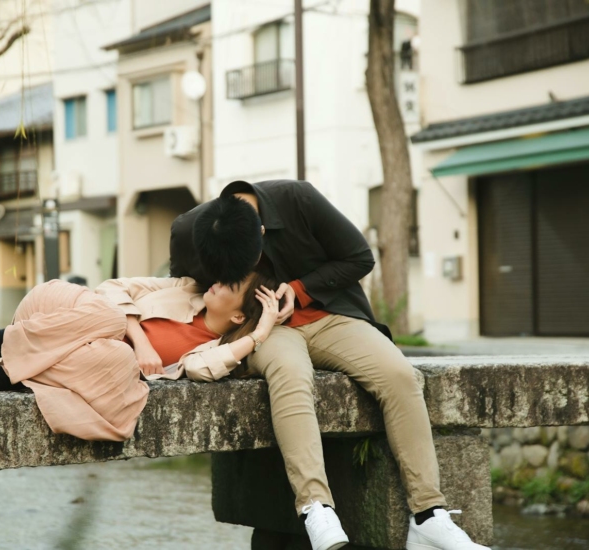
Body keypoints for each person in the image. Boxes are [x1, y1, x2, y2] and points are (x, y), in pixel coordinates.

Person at [169, 180, 490, 550]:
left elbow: (360, 258)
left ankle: (427, 516)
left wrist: (298, 289)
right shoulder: (188, 231)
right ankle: (315, 507)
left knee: (400, 375)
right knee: (290, 375)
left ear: (261, 231)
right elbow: (179, 292)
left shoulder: (299, 200)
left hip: (328, 315)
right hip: (263, 330)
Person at [0, 271, 280, 442]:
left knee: (118, 357)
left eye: (229, 286)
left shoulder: (214, 349)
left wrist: (260, 334)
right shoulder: (182, 288)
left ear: (237, 316)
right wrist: (140, 339)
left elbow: (202, 371)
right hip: (53, 318)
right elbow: (112, 289)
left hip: (93, 367)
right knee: (101, 312)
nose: (217, 282)